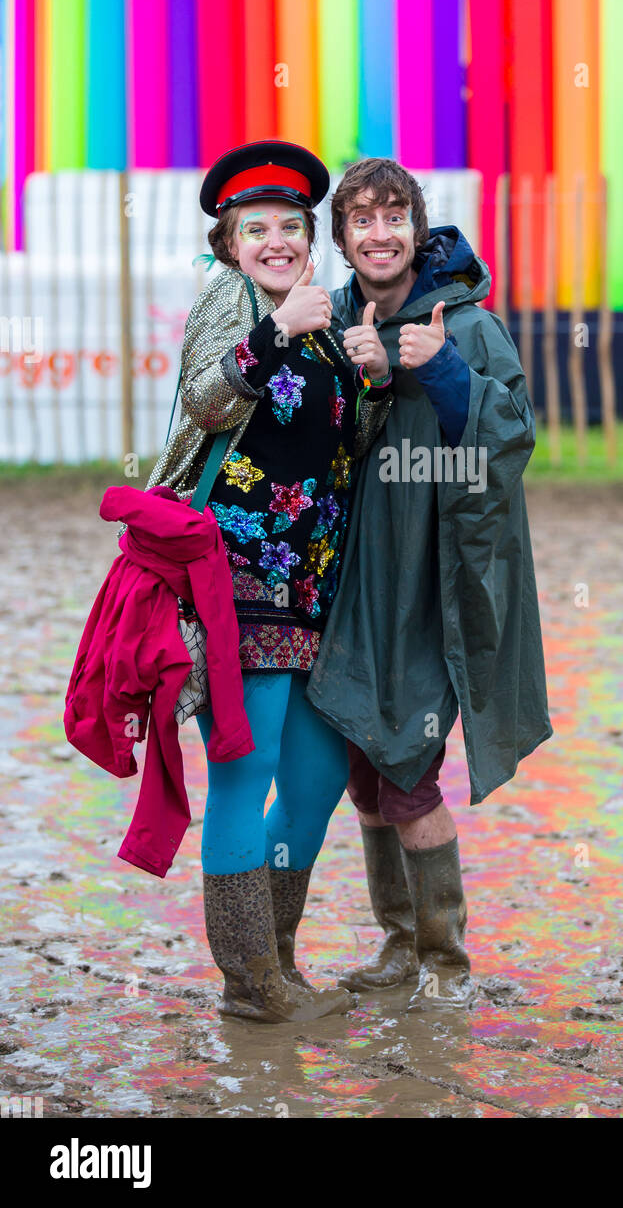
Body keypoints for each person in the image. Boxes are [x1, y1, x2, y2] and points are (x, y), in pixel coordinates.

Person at [146, 141, 393, 1023]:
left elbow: (334, 452)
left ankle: (278, 962)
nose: (279, 240)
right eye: (258, 229)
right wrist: (272, 333)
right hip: (237, 578)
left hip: (310, 581)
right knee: (245, 774)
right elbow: (208, 405)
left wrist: (368, 382)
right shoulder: (234, 303)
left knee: (320, 771)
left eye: (293, 226)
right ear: (228, 242)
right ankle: (250, 981)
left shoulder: (323, 318)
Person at [306, 158, 552, 1011]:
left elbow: (513, 438)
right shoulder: (337, 319)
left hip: (428, 582)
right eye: (361, 220)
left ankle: (446, 965)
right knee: (370, 775)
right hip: (354, 586)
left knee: (410, 772)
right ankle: (398, 945)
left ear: (417, 225)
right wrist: (364, 377)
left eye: (393, 215)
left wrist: (444, 372)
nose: (379, 232)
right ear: (342, 239)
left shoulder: (468, 324)